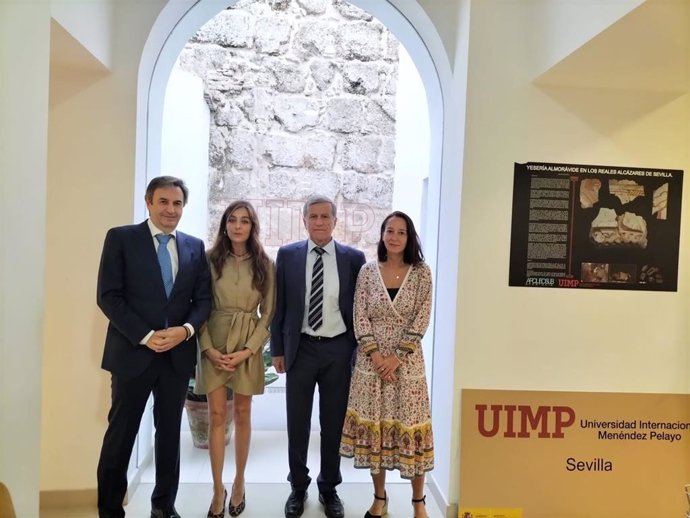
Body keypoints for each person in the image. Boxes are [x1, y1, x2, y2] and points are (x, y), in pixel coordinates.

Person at [96, 175, 212, 518]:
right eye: (163, 201)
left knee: (168, 438)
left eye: (177, 203)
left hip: (176, 358)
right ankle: (109, 509)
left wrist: (186, 331)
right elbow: (109, 296)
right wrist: (147, 336)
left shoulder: (194, 246)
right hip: (133, 353)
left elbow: (203, 299)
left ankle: (163, 506)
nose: (170, 209)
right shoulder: (121, 238)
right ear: (148, 202)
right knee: (121, 434)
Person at [271, 195, 366, 518]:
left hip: (339, 349)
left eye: (326, 216)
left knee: (333, 423)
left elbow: (359, 309)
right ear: (304, 220)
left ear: (335, 221)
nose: (320, 221)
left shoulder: (354, 258)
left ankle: (329, 489)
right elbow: (278, 307)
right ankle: (298, 487)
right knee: (297, 422)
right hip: (301, 348)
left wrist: (357, 352)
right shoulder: (287, 256)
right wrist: (278, 350)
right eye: (313, 216)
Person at [339, 211, 434, 518]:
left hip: (407, 366)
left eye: (401, 232)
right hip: (371, 364)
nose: (394, 237)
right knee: (375, 432)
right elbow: (359, 314)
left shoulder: (421, 273)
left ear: (409, 238)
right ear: (381, 235)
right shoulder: (368, 271)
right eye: (389, 231)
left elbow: (422, 316)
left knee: (411, 428)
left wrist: (396, 357)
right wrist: (378, 356)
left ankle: (418, 503)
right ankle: (379, 498)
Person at [195, 200, 276, 518]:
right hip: (213, 339)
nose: (238, 226)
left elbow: (268, 313)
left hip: (247, 345)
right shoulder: (208, 260)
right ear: (224, 225)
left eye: (245, 220)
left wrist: (249, 349)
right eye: (232, 220)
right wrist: (208, 348)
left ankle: (239, 483)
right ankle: (217, 490)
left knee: (242, 414)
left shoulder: (264, 264)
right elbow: (198, 305)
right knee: (216, 416)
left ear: (252, 226)